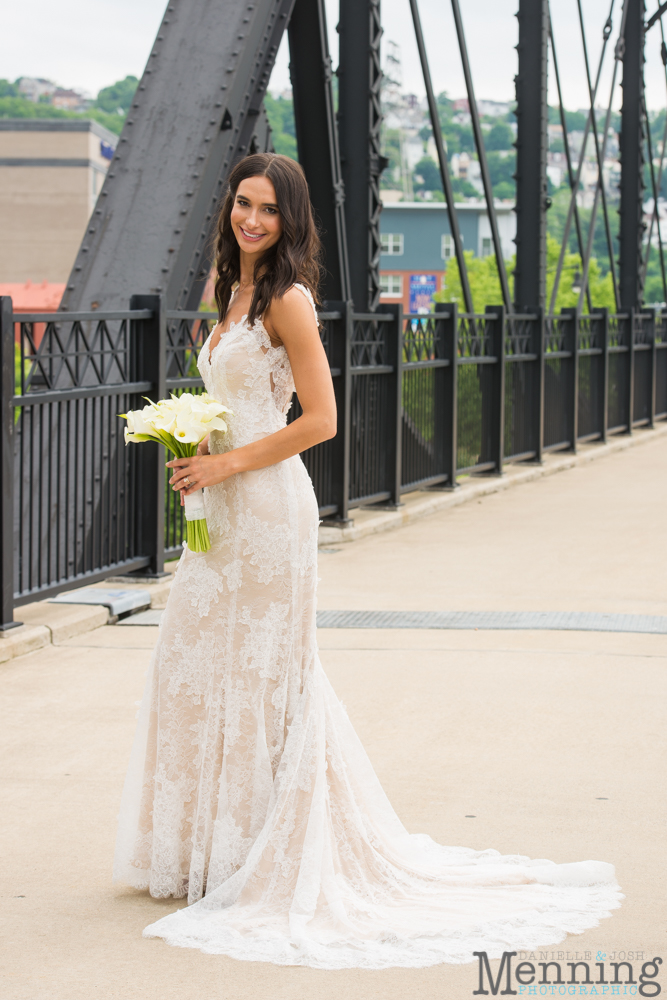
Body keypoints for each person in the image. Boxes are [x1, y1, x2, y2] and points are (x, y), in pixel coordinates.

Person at [113, 153, 621, 970]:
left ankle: (262, 857)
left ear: (290, 220)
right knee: (194, 663)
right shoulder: (229, 292)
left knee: (263, 676)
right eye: (242, 204)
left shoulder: (286, 300)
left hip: (272, 511)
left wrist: (229, 463)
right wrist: (198, 450)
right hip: (225, 509)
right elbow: (237, 404)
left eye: (267, 210)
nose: (250, 220)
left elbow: (319, 419)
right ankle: (210, 852)